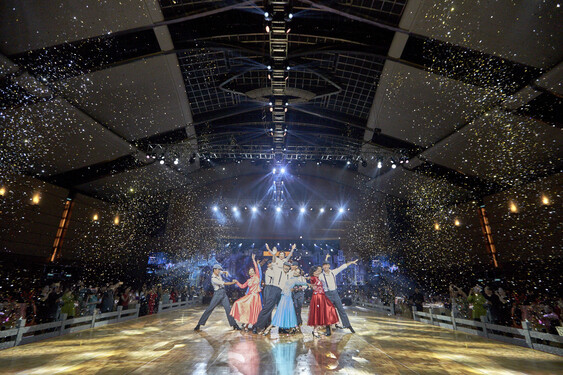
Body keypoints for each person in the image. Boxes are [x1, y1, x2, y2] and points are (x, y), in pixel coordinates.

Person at [194, 264, 241, 331]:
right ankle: (199, 324)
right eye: (218, 269)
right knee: (210, 309)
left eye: (219, 270)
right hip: (217, 294)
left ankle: (234, 325)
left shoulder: (218, 273)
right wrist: (233, 283)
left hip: (223, 294)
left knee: (228, 309)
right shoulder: (213, 279)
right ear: (215, 270)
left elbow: (222, 272)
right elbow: (224, 283)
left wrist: (225, 272)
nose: (219, 271)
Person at [263, 267, 307, 335]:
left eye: (298, 272)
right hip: (283, 296)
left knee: (284, 312)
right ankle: (291, 328)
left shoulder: (296, 280)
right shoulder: (290, 277)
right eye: (296, 271)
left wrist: (307, 284)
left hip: (287, 297)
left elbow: (304, 284)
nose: (296, 272)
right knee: (281, 312)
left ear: (299, 275)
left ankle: (269, 328)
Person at [320, 255, 358, 334]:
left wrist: (351, 262)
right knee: (327, 312)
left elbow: (342, 267)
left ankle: (348, 325)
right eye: (324, 265)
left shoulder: (333, 272)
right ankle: (328, 329)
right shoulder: (321, 276)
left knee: (341, 309)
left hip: (335, 293)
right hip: (327, 294)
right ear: (323, 267)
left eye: (327, 265)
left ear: (329, 266)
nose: (325, 266)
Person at [253, 260, 292, 334]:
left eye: (288, 266)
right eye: (285, 266)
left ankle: (282, 328)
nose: (286, 268)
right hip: (275, 289)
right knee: (267, 308)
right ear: (283, 266)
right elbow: (274, 261)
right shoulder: (277, 270)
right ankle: (258, 326)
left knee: (283, 310)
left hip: (283, 292)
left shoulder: (289, 274)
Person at [230, 254, 262, 329]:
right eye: (250, 271)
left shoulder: (257, 276)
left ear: (254, 271)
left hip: (256, 297)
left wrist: (253, 260)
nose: (251, 272)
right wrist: (236, 282)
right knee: (240, 305)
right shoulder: (248, 280)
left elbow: (256, 268)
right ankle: (246, 324)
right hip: (250, 296)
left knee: (254, 312)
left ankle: (253, 325)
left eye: (252, 271)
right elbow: (242, 286)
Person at [307, 265, 339, 338]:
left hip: (322, 297)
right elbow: (313, 284)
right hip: (317, 297)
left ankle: (317, 329)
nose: (318, 272)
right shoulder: (313, 278)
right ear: (313, 272)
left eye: (318, 271)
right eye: (316, 271)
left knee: (329, 309)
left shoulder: (319, 277)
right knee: (318, 314)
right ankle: (315, 331)